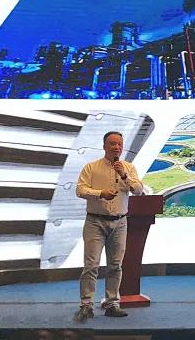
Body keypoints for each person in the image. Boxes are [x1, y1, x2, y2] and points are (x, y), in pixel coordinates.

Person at [73, 131, 144, 322]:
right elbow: (80, 190)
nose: (116, 147)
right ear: (104, 146)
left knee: (115, 265)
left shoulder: (128, 168)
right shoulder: (91, 167)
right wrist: (100, 193)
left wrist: (124, 175)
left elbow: (138, 190)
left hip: (120, 222)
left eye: (119, 144)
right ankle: (86, 305)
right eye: (112, 143)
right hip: (95, 222)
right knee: (91, 265)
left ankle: (112, 303)